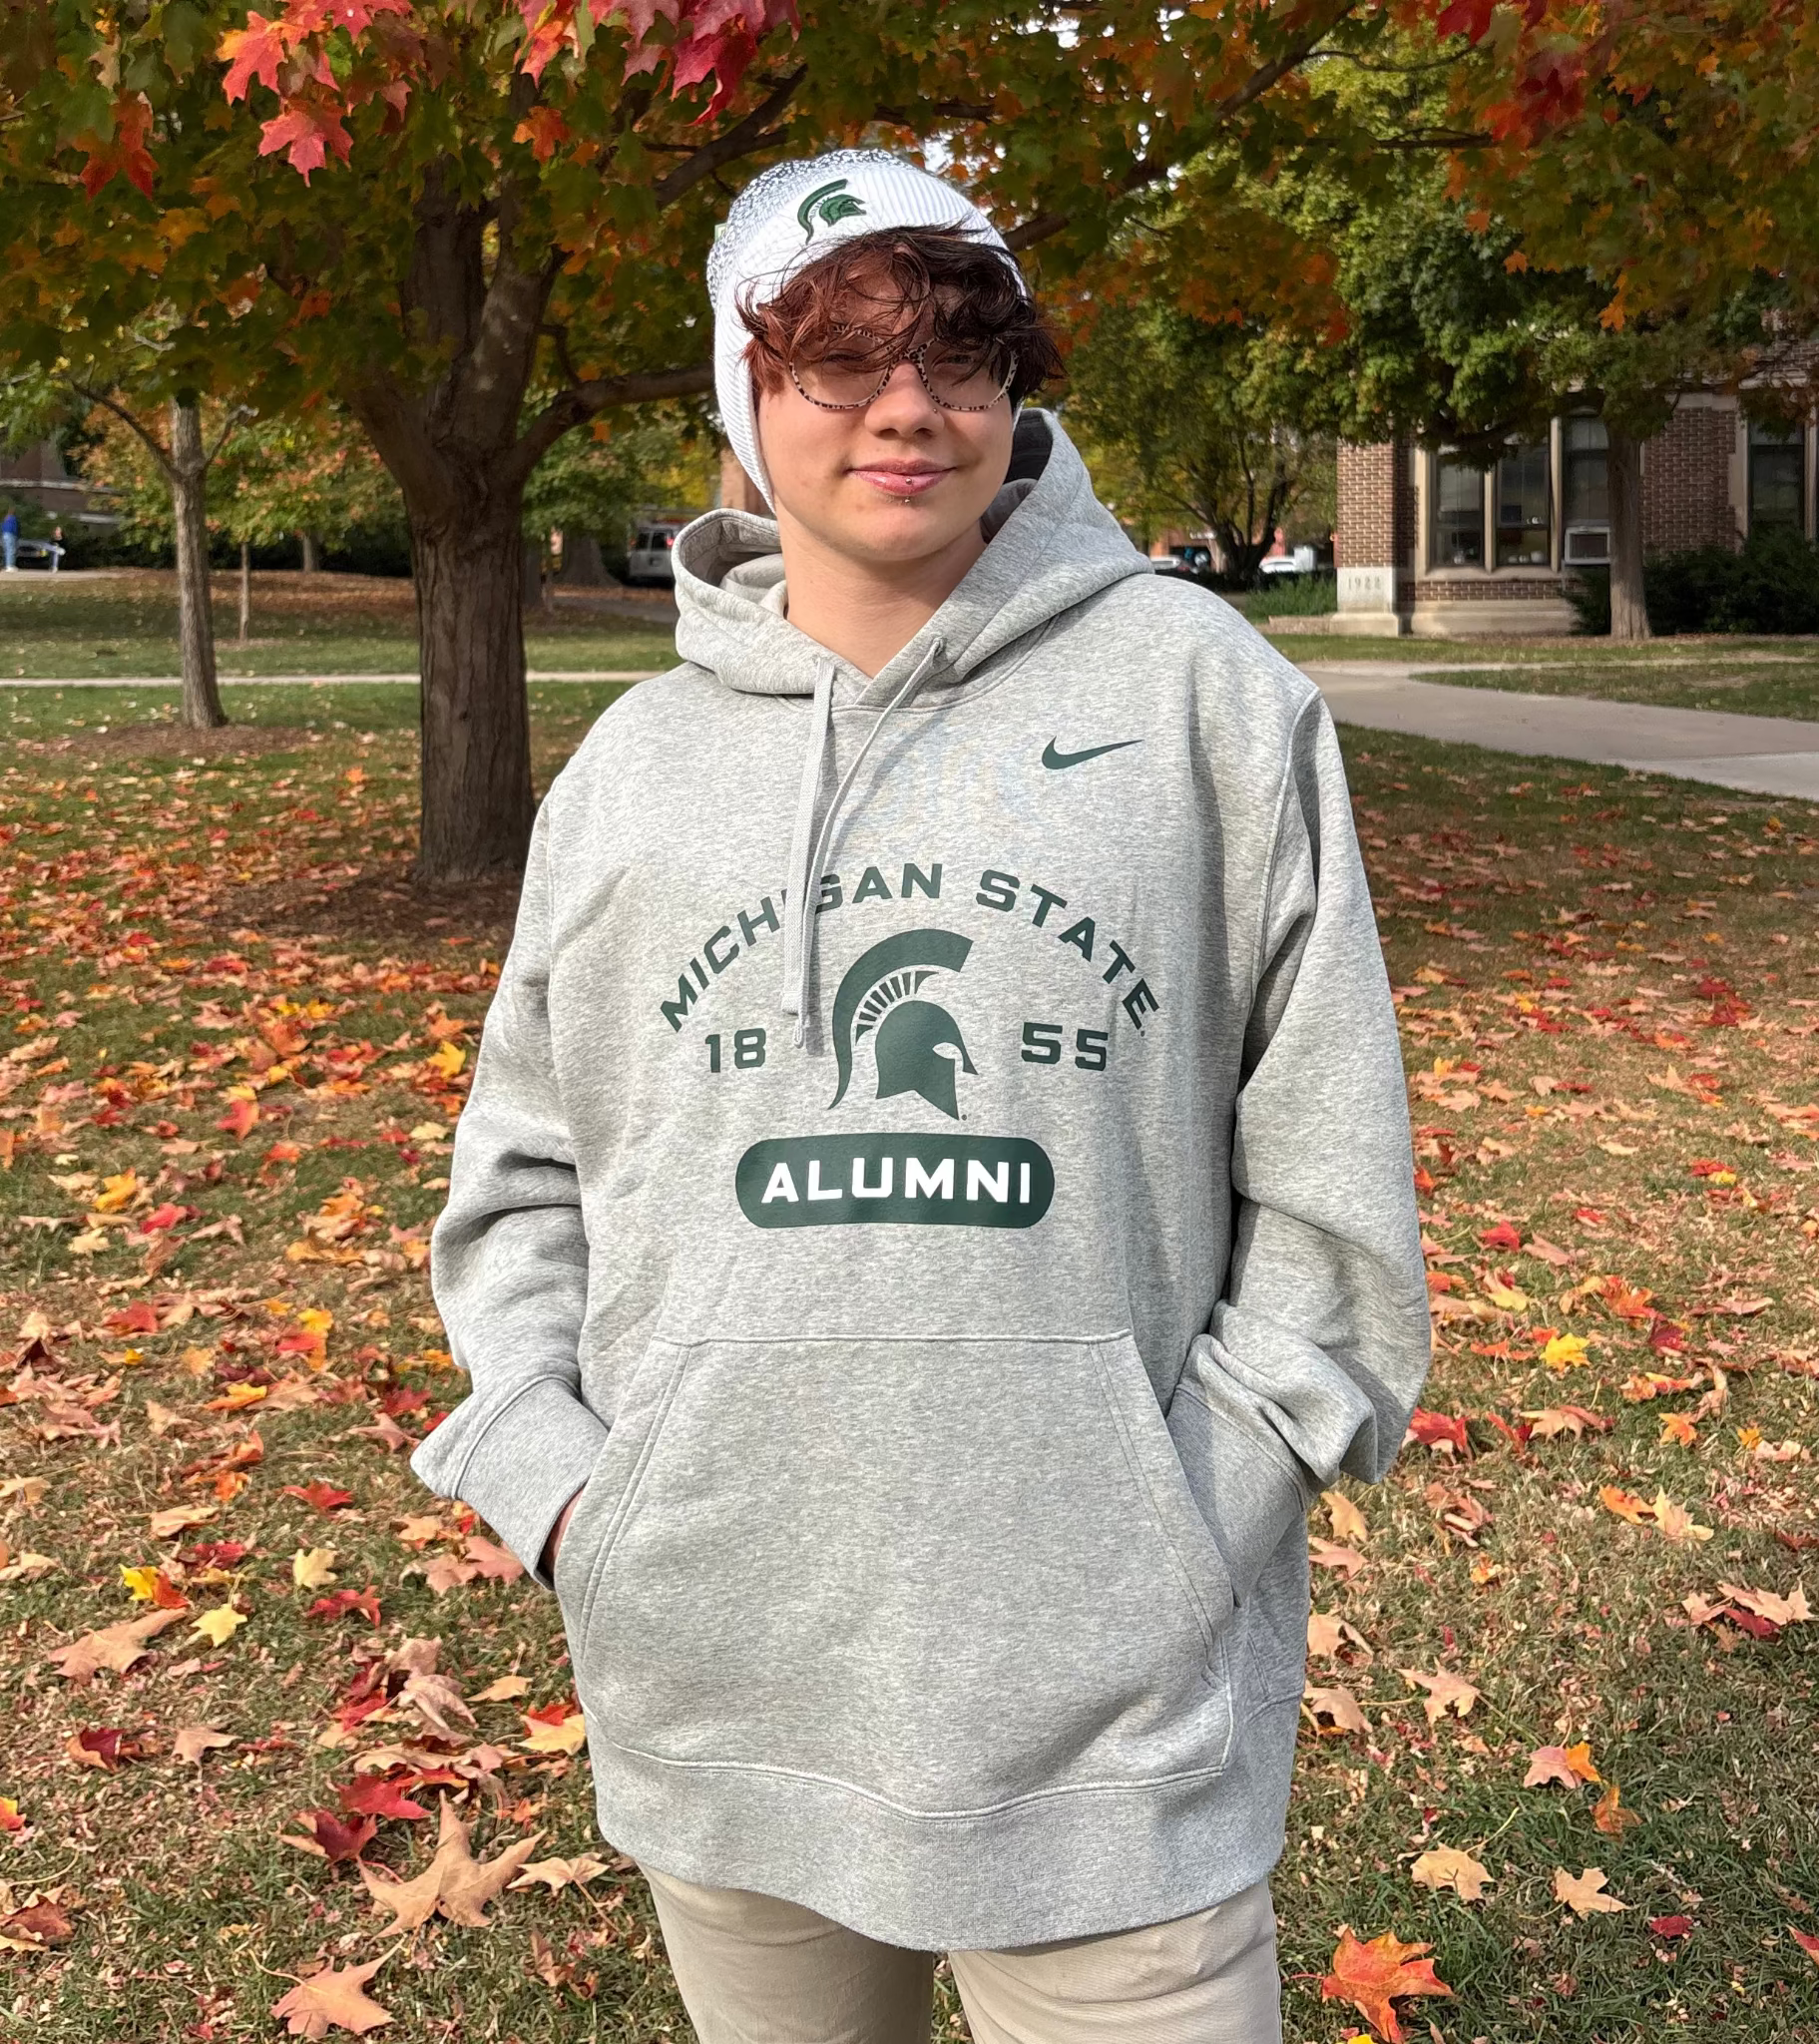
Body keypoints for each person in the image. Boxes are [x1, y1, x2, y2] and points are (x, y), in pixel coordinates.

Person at [410, 149, 1431, 2044]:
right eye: (838, 356)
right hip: (725, 1684)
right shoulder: (632, 773)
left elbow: (1329, 1197)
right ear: (744, 394)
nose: (908, 405)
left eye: (961, 352)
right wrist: (569, 1499)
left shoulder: (1208, 704)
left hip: (1104, 1728)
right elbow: (523, 1171)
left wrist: (1176, 1515)